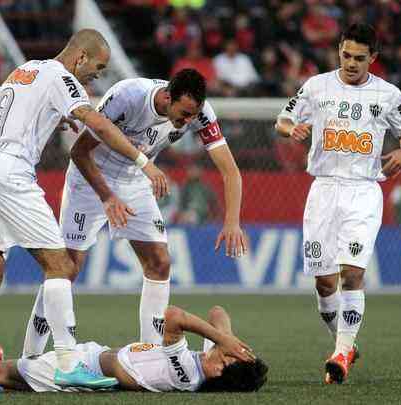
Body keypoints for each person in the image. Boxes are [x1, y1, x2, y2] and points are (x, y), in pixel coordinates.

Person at [0, 29, 168, 393]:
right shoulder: (62, 76)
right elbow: (99, 123)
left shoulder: (24, 69)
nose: (97, 75)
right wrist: (142, 161)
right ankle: (68, 363)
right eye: (98, 67)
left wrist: (51, 116)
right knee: (61, 265)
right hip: (10, 171)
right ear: (80, 58)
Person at [22, 68, 247, 360]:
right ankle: (30, 356)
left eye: (194, 115)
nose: (189, 121)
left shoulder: (201, 113)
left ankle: (150, 355)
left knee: (160, 261)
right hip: (90, 180)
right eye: (185, 113)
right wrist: (108, 198)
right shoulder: (127, 96)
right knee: (66, 269)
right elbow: (79, 153)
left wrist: (232, 222)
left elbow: (229, 169)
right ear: (168, 96)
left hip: (135, 180)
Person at [275, 23, 401, 384]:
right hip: (323, 189)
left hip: (363, 190)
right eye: (345, 55)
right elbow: (283, 118)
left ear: (373, 57)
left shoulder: (387, 94)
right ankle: (344, 344)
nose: (351, 63)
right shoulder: (317, 86)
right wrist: (291, 129)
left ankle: (341, 352)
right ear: (338, 50)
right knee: (324, 283)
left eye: (359, 57)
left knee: (352, 274)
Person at [0, 305, 267, 394]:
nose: (229, 350)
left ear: (220, 369)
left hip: (86, 373)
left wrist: (225, 341)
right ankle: (9, 369)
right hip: (89, 357)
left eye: (230, 357)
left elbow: (173, 314)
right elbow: (219, 312)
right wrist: (227, 340)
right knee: (5, 375)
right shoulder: (205, 361)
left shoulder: (187, 371)